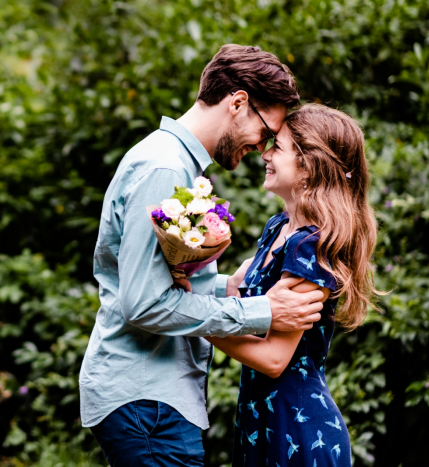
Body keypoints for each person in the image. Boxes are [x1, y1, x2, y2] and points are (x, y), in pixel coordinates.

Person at [79, 44, 326, 466]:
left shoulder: (177, 166)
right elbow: (144, 305)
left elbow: (151, 280)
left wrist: (221, 285)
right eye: (266, 131)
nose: (262, 147)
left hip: (156, 397)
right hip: (147, 400)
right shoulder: (164, 169)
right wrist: (261, 311)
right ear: (238, 103)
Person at [207, 103, 382, 466]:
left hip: (298, 429)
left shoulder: (312, 244)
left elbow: (273, 358)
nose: (265, 154)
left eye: (278, 147)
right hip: (261, 418)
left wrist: (191, 320)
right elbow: (248, 311)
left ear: (308, 168)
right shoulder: (278, 228)